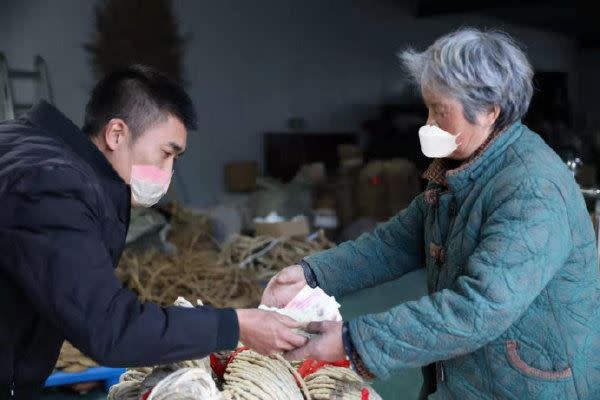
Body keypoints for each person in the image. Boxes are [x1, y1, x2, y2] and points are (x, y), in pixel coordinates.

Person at [262, 28, 600, 399]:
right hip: (471, 373)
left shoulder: (531, 189)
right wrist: (312, 274)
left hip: (531, 383)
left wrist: (353, 341)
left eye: (440, 111)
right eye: (428, 108)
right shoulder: (463, 165)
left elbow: (480, 307)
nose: (428, 124)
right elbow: (395, 243)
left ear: (490, 111)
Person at [0, 65, 306, 398]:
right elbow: (110, 328)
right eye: (166, 154)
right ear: (117, 133)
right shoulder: (51, 184)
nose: (168, 173)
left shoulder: (22, 142)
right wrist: (236, 325)